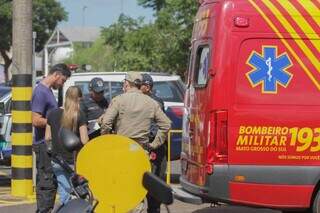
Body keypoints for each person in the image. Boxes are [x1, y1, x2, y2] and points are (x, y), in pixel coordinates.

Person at [99, 72, 171, 213]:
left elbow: (106, 122)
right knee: (137, 188)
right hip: (140, 152)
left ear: (127, 83)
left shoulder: (119, 100)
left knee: (120, 186)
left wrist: (107, 141)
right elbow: (166, 125)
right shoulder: (151, 102)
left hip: (121, 151)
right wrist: (154, 144)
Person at [31, 63, 71, 213]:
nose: (62, 84)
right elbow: (35, 120)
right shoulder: (41, 92)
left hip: (49, 144)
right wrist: (55, 121)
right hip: (43, 145)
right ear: (56, 75)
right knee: (46, 183)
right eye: (63, 81)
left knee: (51, 184)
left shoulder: (47, 91)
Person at [45, 86, 89, 205]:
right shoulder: (79, 115)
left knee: (64, 192)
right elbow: (85, 140)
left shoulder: (52, 114)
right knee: (79, 193)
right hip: (74, 161)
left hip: (57, 160)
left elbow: (47, 138)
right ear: (78, 99)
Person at [141, 73, 167, 213]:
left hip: (153, 148)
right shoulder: (140, 100)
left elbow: (156, 127)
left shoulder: (154, 102)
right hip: (143, 147)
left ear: (147, 87)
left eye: (141, 86)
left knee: (152, 182)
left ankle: (153, 209)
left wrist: (151, 145)